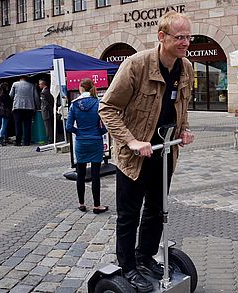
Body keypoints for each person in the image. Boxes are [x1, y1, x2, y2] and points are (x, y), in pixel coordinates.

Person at [98, 11, 195, 292]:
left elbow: (182, 105)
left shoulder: (185, 67)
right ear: (162, 37)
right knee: (129, 214)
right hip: (135, 156)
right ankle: (127, 266)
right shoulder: (136, 65)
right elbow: (107, 108)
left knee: (156, 209)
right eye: (180, 37)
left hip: (164, 151)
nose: (186, 42)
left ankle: (145, 257)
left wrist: (183, 129)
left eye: (188, 36)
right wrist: (131, 141)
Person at [66, 79, 108, 214]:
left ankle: (82, 203)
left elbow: (68, 127)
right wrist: (98, 132)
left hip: (81, 142)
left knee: (81, 174)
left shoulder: (74, 105)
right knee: (95, 175)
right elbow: (105, 126)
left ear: (81, 89)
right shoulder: (98, 103)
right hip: (95, 141)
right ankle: (97, 205)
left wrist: (79, 133)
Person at [9, 76, 40, 146]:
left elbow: (10, 95)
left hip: (17, 107)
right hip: (29, 107)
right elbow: (36, 97)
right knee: (27, 126)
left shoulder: (15, 84)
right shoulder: (32, 85)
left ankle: (18, 142)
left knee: (18, 125)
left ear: (19, 78)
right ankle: (27, 142)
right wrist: (37, 107)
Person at [38, 79, 55, 144]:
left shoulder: (43, 92)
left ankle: (50, 140)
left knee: (48, 127)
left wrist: (51, 109)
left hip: (46, 112)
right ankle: (51, 138)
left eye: (40, 84)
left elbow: (45, 103)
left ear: (43, 84)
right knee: (50, 126)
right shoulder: (49, 91)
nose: (39, 85)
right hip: (50, 111)